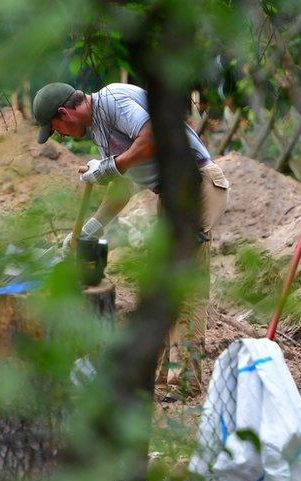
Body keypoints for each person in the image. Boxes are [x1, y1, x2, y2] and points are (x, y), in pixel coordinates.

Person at [31, 81, 231, 398]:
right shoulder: (98, 129)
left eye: (57, 129)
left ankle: (183, 383)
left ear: (65, 112)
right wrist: (91, 227)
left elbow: (151, 137)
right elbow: (122, 186)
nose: (63, 136)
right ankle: (167, 380)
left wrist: (111, 166)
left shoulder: (112, 100)